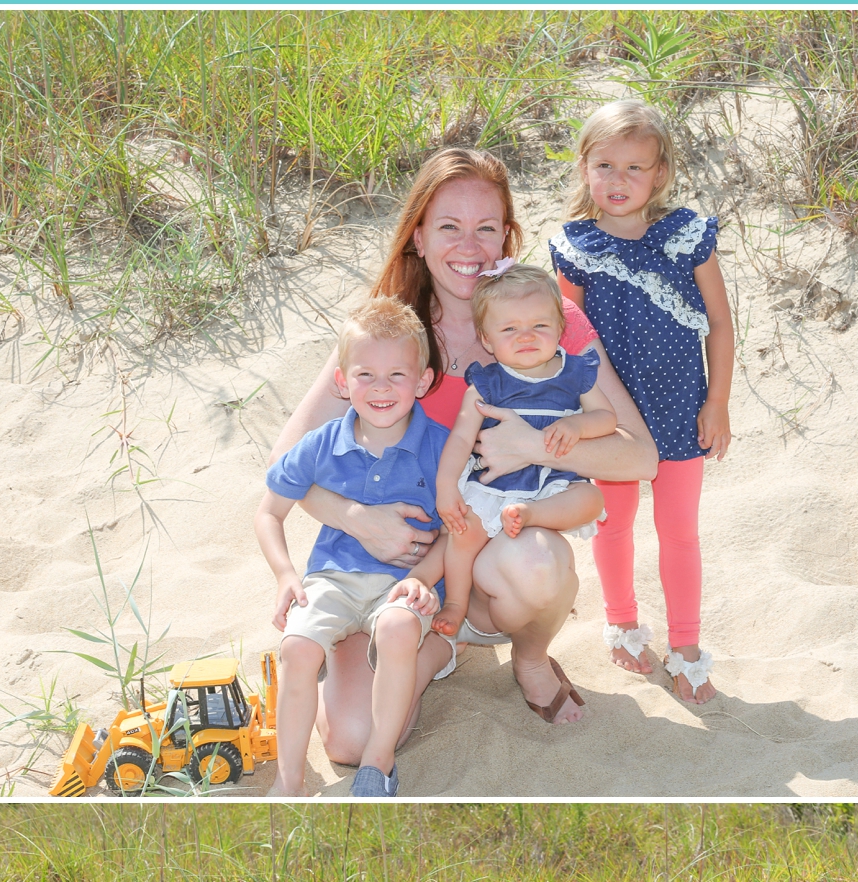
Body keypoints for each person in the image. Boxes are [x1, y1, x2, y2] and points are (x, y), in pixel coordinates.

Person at [268, 147, 659, 753]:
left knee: (539, 562)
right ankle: (425, 645)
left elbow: (640, 457)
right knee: (351, 742)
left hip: (488, 560)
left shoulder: (545, 320)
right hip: (386, 573)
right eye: (449, 227)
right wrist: (357, 519)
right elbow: (284, 461)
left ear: (507, 236)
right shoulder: (388, 335)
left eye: (486, 228)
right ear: (418, 237)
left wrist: (538, 446)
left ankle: (525, 658)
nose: (469, 247)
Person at [550, 100, 735, 707]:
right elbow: (566, 341)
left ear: (659, 173)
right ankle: (622, 622)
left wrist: (719, 402)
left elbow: (720, 325)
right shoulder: (575, 248)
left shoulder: (685, 237)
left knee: (679, 530)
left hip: (683, 406)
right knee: (615, 521)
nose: (619, 180)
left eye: (635, 166)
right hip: (611, 419)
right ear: (583, 169)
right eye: (605, 164)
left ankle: (686, 648)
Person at [255, 296, 449, 798]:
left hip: (402, 583)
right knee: (297, 648)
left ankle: (378, 765)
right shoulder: (320, 444)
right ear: (342, 382)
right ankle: (289, 781)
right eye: (365, 375)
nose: (380, 389)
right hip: (333, 579)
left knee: (400, 625)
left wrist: (423, 578)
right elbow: (268, 512)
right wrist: (284, 573)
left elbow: (459, 530)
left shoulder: (442, 445)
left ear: (424, 380)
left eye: (397, 376)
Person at [422, 263, 615, 646]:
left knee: (592, 498)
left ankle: (531, 516)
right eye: (509, 329)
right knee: (463, 532)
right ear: (488, 339)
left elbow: (606, 418)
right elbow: (461, 439)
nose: (526, 337)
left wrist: (577, 426)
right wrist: (446, 486)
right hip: (496, 484)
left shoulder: (575, 373)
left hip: (552, 485)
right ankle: (457, 603)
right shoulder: (487, 383)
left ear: (560, 327)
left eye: (539, 326)